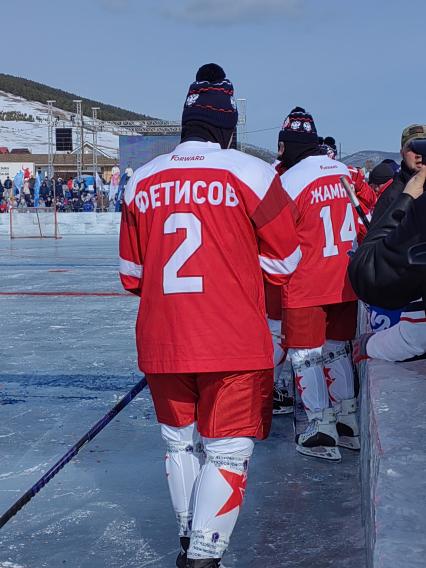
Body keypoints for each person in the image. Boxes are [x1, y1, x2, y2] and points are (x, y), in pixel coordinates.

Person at [119, 63, 300, 568]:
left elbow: (131, 274)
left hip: (163, 339)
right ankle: (203, 553)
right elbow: (286, 262)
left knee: (178, 442)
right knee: (226, 451)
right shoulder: (251, 172)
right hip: (232, 339)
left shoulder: (143, 180)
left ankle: (186, 536)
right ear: (228, 124)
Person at [277, 108, 359, 462]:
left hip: (308, 280)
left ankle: (319, 426)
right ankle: (348, 420)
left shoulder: (290, 182)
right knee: (338, 348)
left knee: (305, 355)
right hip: (346, 278)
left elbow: (275, 237)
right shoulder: (343, 171)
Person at [371, 124, 426, 224]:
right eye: (411, 148)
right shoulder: (392, 197)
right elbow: (376, 238)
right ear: (402, 153)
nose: (418, 154)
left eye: (423, 147)